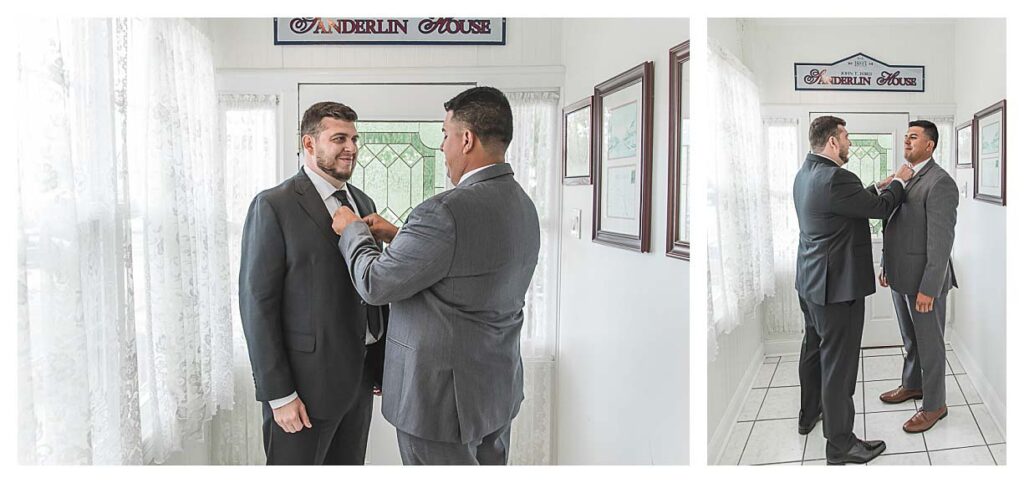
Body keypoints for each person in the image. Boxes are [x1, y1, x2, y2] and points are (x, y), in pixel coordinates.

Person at [331, 86, 540, 465]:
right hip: (495, 390)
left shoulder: (445, 211)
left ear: (466, 139)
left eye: (445, 135)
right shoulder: (523, 205)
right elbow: (468, 264)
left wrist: (352, 231)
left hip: (440, 405)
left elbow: (376, 284)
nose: (442, 146)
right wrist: (400, 236)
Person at [238, 101, 387, 465]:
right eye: (339, 138)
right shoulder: (274, 205)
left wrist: (381, 364)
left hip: (359, 383)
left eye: (354, 138)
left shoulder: (363, 202)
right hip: (301, 393)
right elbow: (257, 305)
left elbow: (372, 287)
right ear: (309, 144)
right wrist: (279, 395)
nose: (350, 148)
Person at [792, 115, 912, 465]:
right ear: (832, 142)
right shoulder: (839, 177)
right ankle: (840, 444)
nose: (850, 143)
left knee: (813, 351)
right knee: (839, 366)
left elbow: (846, 204)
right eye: (845, 137)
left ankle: (808, 414)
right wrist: (900, 182)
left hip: (810, 283)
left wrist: (879, 184)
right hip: (837, 289)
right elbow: (878, 209)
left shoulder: (805, 174)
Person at [876, 120, 959, 433]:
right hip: (900, 277)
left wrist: (929, 288)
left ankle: (935, 404)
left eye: (914, 137)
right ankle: (913, 385)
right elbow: (893, 222)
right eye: (906, 137)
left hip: (926, 283)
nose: (907, 142)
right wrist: (886, 263)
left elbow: (941, 242)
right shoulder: (905, 176)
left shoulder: (940, 182)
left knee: (930, 344)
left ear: (930, 145)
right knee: (911, 340)